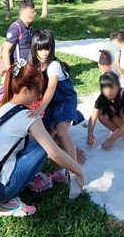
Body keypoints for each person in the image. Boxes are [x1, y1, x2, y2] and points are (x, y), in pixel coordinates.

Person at [0, 60, 85, 217]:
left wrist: (52, 134)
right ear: (26, 90)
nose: (38, 97)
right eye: (37, 92)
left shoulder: (0, 108)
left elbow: (28, 138)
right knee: (43, 147)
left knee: (39, 142)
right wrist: (79, 172)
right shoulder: (27, 116)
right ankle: (8, 203)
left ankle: (20, 183)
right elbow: (54, 153)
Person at [29, 29, 84, 187]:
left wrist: (40, 109)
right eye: (40, 48)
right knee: (48, 135)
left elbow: (52, 87)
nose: (44, 53)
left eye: (47, 48)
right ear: (34, 48)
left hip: (64, 101)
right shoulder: (35, 66)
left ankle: (74, 171)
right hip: (50, 104)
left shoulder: (53, 65)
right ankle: (59, 170)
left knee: (61, 131)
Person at [86, 72, 124, 149]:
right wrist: (90, 134)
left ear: (118, 86)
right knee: (101, 115)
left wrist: (111, 140)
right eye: (105, 90)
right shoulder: (102, 97)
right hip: (121, 120)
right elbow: (93, 116)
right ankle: (116, 131)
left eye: (111, 89)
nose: (109, 93)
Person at [0, 0, 36, 76]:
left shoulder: (29, 27)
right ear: (24, 13)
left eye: (34, 12)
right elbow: (5, 52)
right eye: (32, 13)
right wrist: (9, 73)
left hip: (30, 65)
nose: (34, 15)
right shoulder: (15, 28)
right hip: (20, 69)